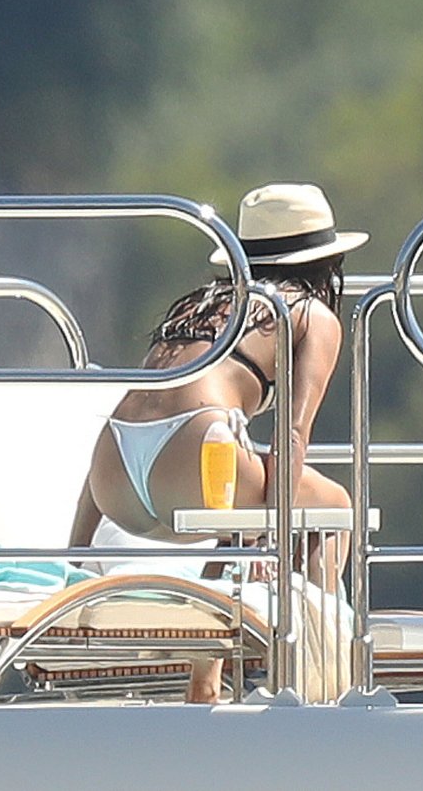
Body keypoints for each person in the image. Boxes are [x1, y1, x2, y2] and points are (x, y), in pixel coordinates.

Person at [67, 182, 364, 700]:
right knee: (333, 507)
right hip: (195, 462)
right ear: (327, 266)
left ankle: (204, 680)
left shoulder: (200, 306)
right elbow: (294, 433)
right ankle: (318, 676)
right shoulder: (308, 313)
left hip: (113, 477)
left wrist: (69, 562)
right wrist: (271, 534)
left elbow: (138, 411)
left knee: (242, 495)